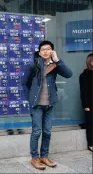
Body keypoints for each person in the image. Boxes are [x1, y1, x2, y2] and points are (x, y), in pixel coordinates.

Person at [21, 41, 73, 170]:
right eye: (43, 49)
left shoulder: (54, 65)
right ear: (39, 52)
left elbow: (69, 74)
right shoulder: (33, 65)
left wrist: (57, 60)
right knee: (37, 132)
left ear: (52, 51)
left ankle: (44, 156)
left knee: (48, 132)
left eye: (48, 49)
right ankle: (34, 158)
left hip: (50, 104)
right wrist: (30, 99)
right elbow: (24, 83)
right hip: (37, 105)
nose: (45, 51)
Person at [79, 53, 93, 152]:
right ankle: (91, 144)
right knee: (90, 125)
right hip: (90, 104)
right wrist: (86, 105)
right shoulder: (84, 75)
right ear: (90, 62)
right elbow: (83, 91)